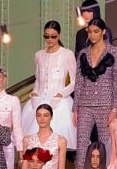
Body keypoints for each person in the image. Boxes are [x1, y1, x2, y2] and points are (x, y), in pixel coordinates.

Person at [73, 17, 117, 169]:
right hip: (84, 104)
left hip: (106, 105)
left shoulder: (115, 52)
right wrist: (75, 107)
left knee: (106, 145)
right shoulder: (83, 53)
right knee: (82, 145)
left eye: (96, 31)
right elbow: (79, 82)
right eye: (90, 32)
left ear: (103, 32)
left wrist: (115, 108)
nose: (93, 35)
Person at [21, 21, 77, 149]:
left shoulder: (67, 54)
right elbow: (38, 79)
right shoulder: (39, 55)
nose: (50, 39)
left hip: (60, 102)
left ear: (59, 36)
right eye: (47, 36)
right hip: (38, 100)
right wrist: (35, 91)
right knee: (33, 142)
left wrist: (61, 94)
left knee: (56, 144)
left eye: (53, 36)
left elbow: (75, 81)